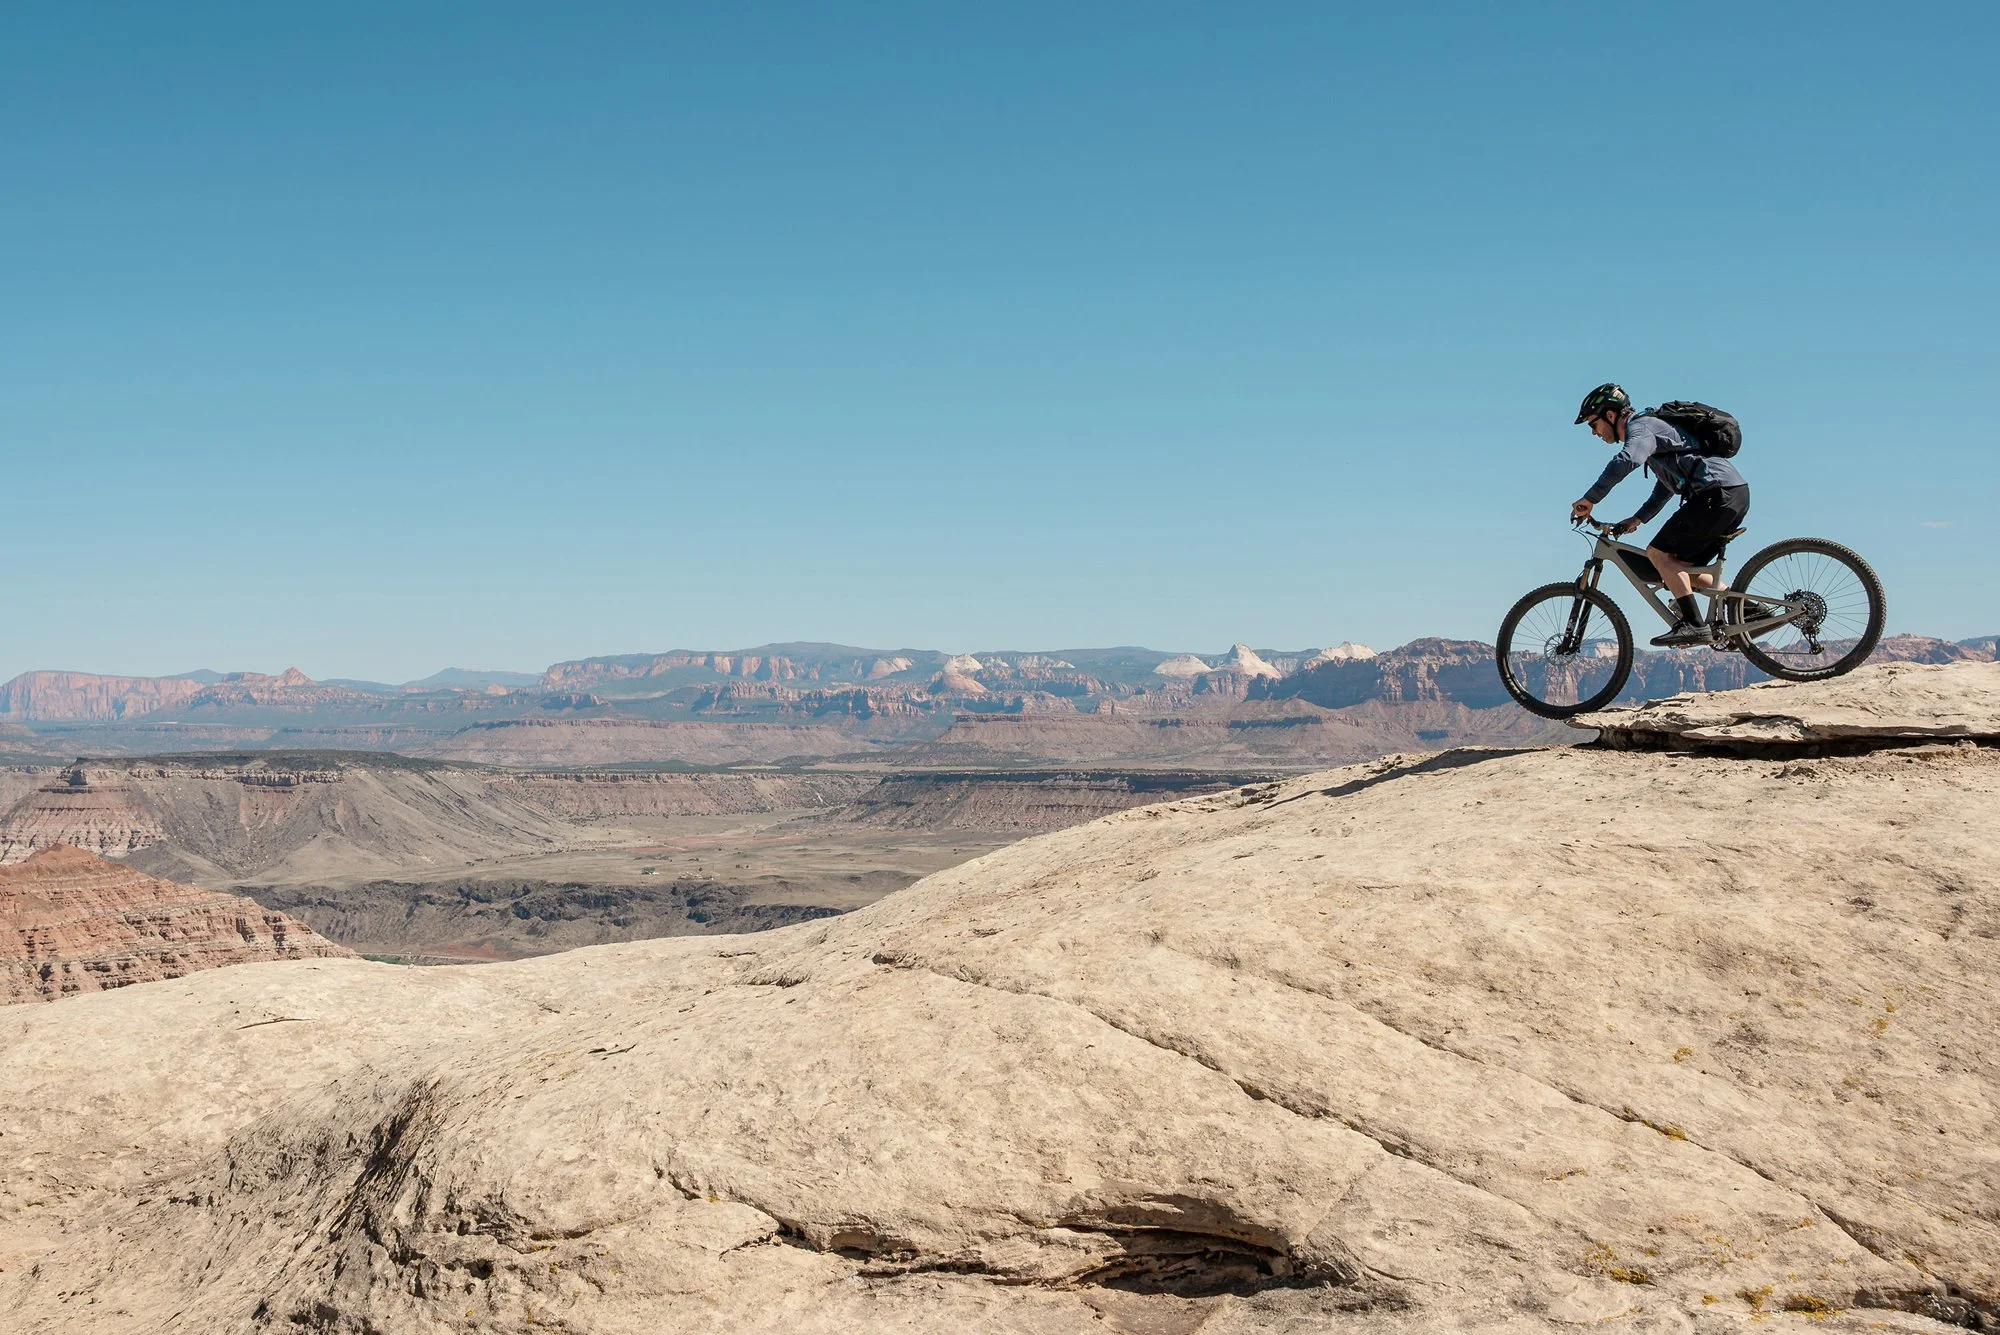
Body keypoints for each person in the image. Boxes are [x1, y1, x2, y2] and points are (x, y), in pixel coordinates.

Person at [1567, 383, 1750, 647]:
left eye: (1592, 424)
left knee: (1658, 554)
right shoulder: (1652, 432)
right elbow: (1665, 487)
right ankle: (1748, 609)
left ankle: (1694, 626)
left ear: (1610, 415)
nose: (1594, 433)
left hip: (1716, 493)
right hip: (1732, 493)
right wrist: (1638, 519)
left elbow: (1627, 460)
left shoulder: (1641, 427)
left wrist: (1590, 499)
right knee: (1679, 568)